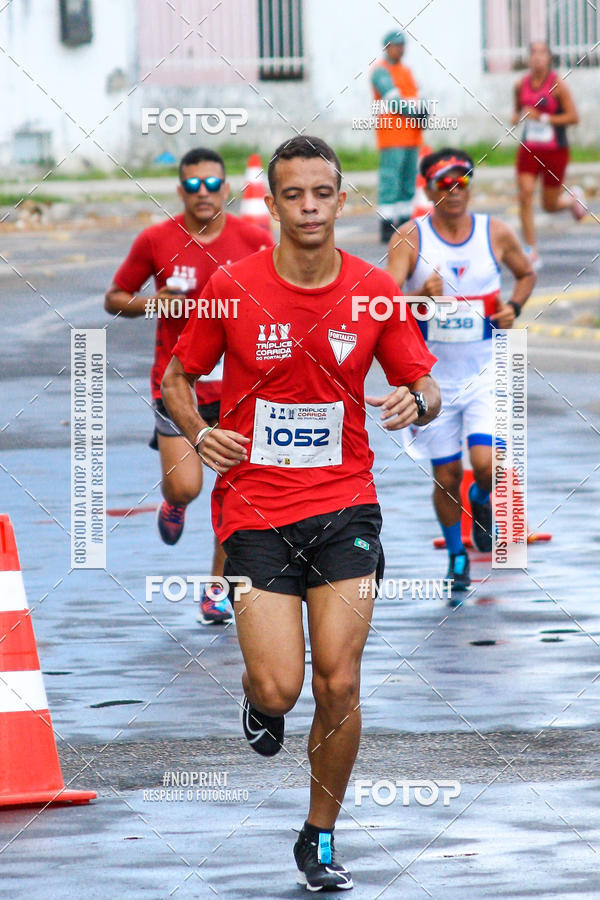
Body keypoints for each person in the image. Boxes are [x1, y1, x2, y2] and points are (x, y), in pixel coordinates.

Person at [162, 135, 440, 891]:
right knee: (281, 687)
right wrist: (199, 432)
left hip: (346, 505)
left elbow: (425, 383)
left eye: (322, 194)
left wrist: (416, 401)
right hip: (254, 511)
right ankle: (260, 702)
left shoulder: (374, 290)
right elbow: (178, 377)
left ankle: (318, 835)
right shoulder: (231, 285)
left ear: (341, 201)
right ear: (274, 203)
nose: (310, 207)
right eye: (294, 195)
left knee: (339, 684)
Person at [105, 148, 273, 625]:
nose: (204, 193)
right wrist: (152, 303)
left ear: (227, 188)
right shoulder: (156, 240)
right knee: (187, 487)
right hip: (178, 385)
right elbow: (115, 298)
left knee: (236, 495)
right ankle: (174, 503)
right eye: (194, 185)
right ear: (181, 191)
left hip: (240, 389)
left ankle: (217, 589)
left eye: (213, 184)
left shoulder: (255, 240)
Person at [387, 148, 535, 591]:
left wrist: (513, 307)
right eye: (444, 184)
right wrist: (421, 297)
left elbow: (525, 274)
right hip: (432, 379)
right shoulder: (411, 238)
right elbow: (384, 301)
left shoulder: (495, 232)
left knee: (486, 465)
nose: (454, 192)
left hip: (487, 372)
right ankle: (456, 556)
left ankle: (481, 496)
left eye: (462, 182)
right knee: (446, 474)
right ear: (429, 188)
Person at [513, 41, 586, 270]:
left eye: (542, 53)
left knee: (549, 205)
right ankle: (530, 250)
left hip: (555, 150)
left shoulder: (557, 85)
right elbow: (517, 112)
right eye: (533, 53)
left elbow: (574, 117)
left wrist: (543, 118)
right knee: (525, 195)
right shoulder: (520, 84)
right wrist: (517, 117)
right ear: (528, 58)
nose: (537, 57)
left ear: (549, 58)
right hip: (529, 148)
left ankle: (571, 200)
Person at [370, 30, 425, 243]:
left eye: (403, 45)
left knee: (408, 182)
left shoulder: (406, 70)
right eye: (396, 45)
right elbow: (393, 100)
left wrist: (423, 110)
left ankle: (403, 223)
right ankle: (386, 226)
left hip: (412, 136)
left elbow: (415, 97)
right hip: (392, 136)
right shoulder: (380, 71)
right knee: (390, 181)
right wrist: (416, 112)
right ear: (387, 47)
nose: (400, 49)